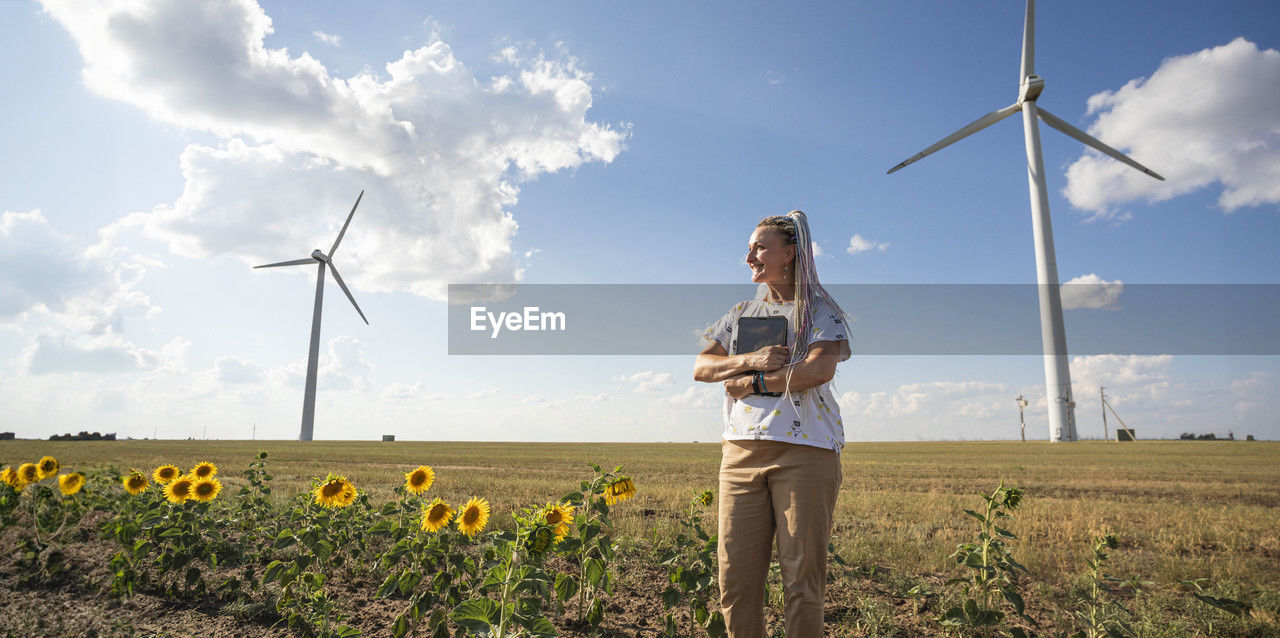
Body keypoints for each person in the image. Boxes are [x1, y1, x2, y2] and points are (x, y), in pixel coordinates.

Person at [693, 211, 851, 637]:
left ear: (791, 253)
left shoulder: (820, 310)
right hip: (740, 453)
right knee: (735, 581)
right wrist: (749, 360)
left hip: (806, 453)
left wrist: (755, 382)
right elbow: (702, 367)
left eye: (760, 247)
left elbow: (818, 370)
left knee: (802, 582)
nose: (749, 256)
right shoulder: (741, 312)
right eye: (750, 247)